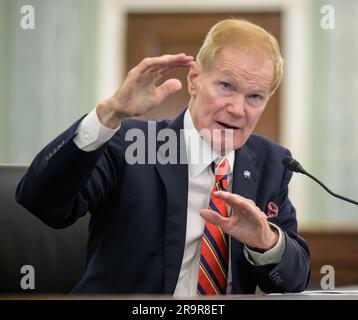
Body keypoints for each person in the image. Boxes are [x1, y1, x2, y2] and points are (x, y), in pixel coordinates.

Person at [16, 19, 310, 296]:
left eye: (254, 97)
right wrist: (108, 114)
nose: (237, 108)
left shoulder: (273, 162)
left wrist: (266, 242)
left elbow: (294, 279)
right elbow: (40, 201)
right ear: (194, 80)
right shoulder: (132, 143)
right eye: (226, 86)